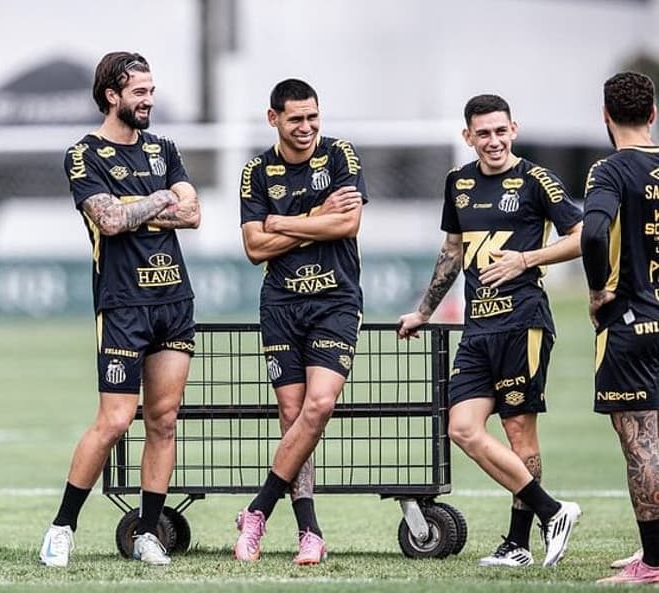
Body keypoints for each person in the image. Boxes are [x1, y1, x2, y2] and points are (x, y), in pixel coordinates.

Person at [397, 94, 582, 568]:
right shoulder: (457, 183)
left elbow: (584, 236)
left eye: (501, 131)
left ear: (513, 129)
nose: (494, 140)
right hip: (477, 327)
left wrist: (527, 259)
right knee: (462, 428)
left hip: (523, 322)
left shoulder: (537, 179)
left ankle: (518, 545)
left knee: (519, 431)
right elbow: (452, 251)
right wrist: (424, 311)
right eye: (483, 133)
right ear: (468, 136)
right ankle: (552, 511)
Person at [39, 51, 200, 568]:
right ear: (112, 95)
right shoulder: (83, 155)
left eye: (151, 91)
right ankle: (62, 528)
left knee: (164, 421)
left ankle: (148, 532)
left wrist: (137, 209)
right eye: (139, 92)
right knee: (114, 420)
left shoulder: (164, 149)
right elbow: (107, 222)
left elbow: (193, 213)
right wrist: (159, 200)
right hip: (123, 304)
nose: (149, 100)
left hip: (173, 300)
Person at [234, 78, 366, 564]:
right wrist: (316, 217)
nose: (307, 127)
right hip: (281, 305)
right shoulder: (256, 172)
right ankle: (310, 531)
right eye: (296, 119)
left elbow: (347, 224)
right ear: (274, 119)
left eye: (313, 116)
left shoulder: (339, 156)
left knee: (320, 405)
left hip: (335, 302)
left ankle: (258, 509)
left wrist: (283, 222)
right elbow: (254, 247)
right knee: (292, 416)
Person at [582, 71, 659, 585]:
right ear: (653, 114)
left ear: (605, 116)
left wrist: (597, 291)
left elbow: (593, 232)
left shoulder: (609, 170)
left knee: (643, 443)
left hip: (633, 323)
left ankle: (652, 563)